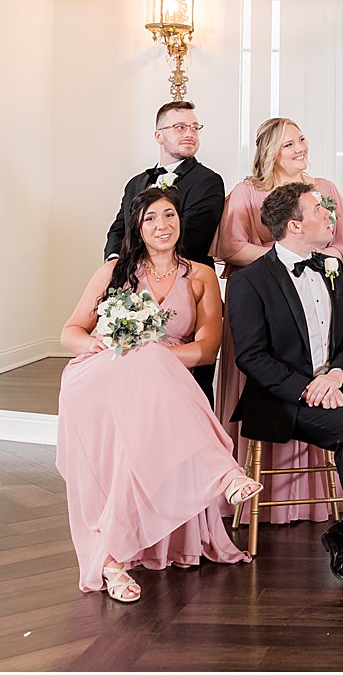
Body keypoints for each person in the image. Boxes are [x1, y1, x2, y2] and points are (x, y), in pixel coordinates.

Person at [57, 187, 259, 603]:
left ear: (180, 221)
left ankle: (112, 559)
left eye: (168, 215)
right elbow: (70, 332)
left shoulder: (201, 275)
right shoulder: (114, 271)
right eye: (150, 218)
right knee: (144, 359)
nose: (161, 225)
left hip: (165, 376)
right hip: (103, 376)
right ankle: (224, 472)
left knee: (150, 367)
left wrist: (152, 356)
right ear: (137, 226)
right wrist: (103, 346)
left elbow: (206, 349)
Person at [226, 182, 343, 598]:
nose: (330, 214)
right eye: (319, 210)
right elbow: (252, 358)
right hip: (282, 396)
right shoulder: (249, 283)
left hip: (335, 382)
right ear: (294, 225)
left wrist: (336, 376)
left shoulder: (332, 266)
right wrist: (308, 388)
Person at [211, 118, 343, 521]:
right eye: (288, 144)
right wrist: (283, 262)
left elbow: (340, 247)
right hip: (262, 313)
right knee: (270, 383)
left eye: (301, 139)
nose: (300, 148)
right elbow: (232, 248)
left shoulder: (325, 190)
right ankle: (247, 491)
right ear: (269, 153)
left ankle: (313, 500)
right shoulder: (246, 193)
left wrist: (310, 261)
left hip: (313, 317)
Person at [103, 100, 227, 401]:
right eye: (180, 127)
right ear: (159, 135)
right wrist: (117, 267)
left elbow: (191, 236)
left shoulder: (208, 182)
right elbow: (119, 229)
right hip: (134, 287)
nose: (190, 133)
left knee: (192, 388)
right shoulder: (136, 183)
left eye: (194, 127)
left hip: (188, 288)